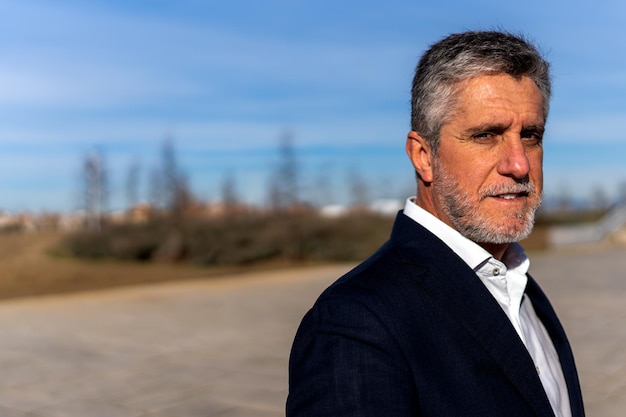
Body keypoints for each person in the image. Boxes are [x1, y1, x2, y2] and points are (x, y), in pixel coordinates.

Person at [286, 31, 585, 417]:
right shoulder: (355, 323)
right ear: (423, 156)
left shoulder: (518, 284)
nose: (519, 164)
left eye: (530, 136)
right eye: (486, 135)